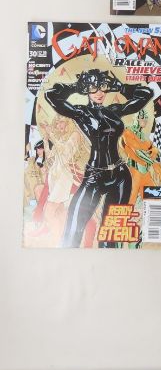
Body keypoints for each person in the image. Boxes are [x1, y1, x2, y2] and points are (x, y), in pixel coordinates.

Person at [45, 69, 153, 248]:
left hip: (120, 176)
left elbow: (146, 93)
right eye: (93, 88)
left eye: (102, 86)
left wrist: (120, 87)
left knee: (110, 235)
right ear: (86, 90)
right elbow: (51, 95)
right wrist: (76, 87)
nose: (99, 92)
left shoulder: (115, 110)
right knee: (73, 230)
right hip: (94, 176)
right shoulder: (80, 113)